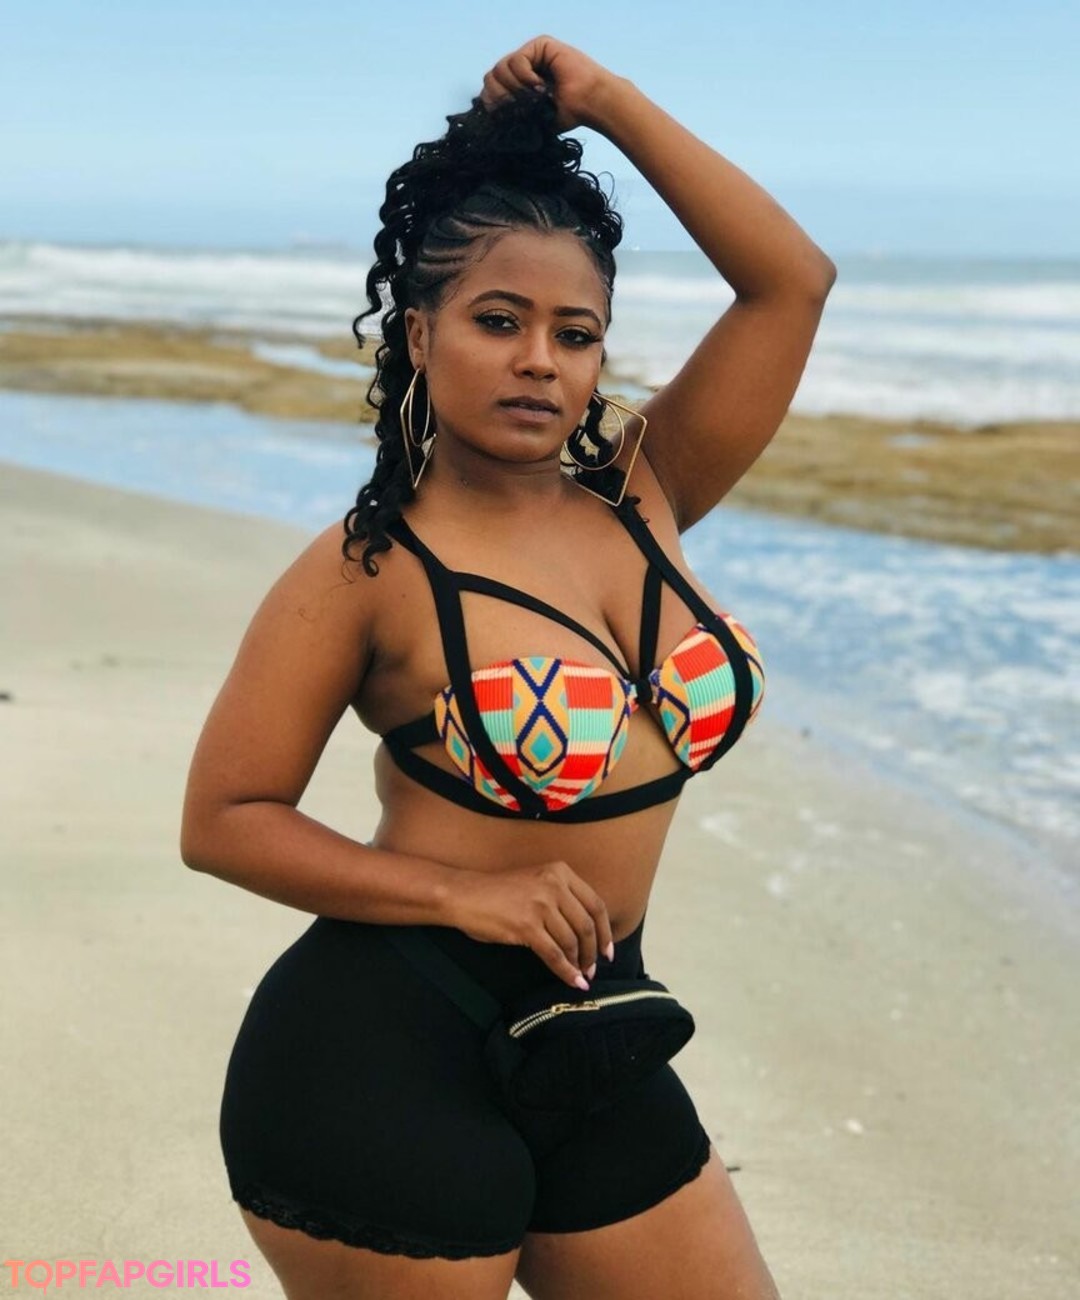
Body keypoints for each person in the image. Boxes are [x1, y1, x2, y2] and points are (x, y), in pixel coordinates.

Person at [181, 35, 835, 1300]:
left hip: (596, 1032)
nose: (540, 357)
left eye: (574, 333)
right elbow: (223, 818)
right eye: (499, 320)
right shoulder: (369, 568)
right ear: (419, 335)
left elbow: (791, 284)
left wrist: (610, 102)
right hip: (380, 1052)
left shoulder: (647, 491)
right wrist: (458, 894)